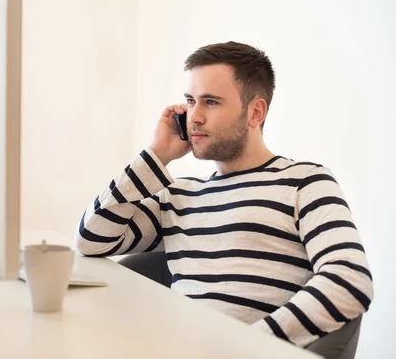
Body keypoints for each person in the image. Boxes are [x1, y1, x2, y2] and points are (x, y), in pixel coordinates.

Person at [74, 41, 373, 347]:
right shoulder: (178, 196)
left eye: (211, 102)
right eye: (190, 101)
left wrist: (246, 346)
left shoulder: (305, 182)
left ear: (255, 112)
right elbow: (91, 241)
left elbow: (349, 280)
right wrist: (157, 154)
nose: (195, 117)